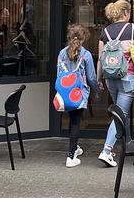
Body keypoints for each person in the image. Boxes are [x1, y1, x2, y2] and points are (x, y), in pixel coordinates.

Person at [97, 0, 134, 167]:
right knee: (121, 113)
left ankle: (128, 143)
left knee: (121, 112)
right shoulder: (133, 28)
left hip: (110, 78)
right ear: (126, 13)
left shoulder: (105, 32)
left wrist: (99, 79)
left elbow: (100, 58)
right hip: (128, 77)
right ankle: (106, 151)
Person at [58, 24, 99, 168]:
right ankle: (71, 156)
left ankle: (74, 147)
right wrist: (97, 91)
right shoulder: (86, 55)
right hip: (79, 93)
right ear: (84, 38)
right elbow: (92, 77)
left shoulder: (62, 53)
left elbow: (59, 75)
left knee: (72, 119)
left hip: (65, 93)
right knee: (76, 122)